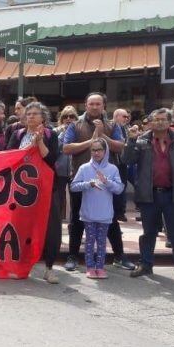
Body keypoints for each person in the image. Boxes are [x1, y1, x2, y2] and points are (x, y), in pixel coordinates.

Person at [123, 109, 174, 282]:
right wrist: (130, 140)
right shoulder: (141, 141)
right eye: (156, 119)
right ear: (150, 122)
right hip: (149, 195)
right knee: (148, 233)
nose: (159, 122)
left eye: (163, 119)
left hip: (173, 195)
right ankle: (145, 265)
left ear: (169, 121)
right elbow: (127, 160)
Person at [62, 92, 134, 271]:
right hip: (82, 178)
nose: (94, 107)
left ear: (104, 106)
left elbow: (120, 146)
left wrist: (103, 136)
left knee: (111, 219)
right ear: (86, 105)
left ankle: (119, 256)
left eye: (98, 104)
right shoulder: (75, 125)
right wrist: (92, 140)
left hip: (108, 180)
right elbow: (66, 148)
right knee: (77, 219)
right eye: (91, 104)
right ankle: (72, 256)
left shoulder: (112, 124)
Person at [6, 102, 61, 284]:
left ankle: (49, 268)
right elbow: (9, 157)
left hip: (46, 189)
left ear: (43, 117)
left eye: (35, 114)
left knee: (50, 229)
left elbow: (52, 159)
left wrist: (39, 143)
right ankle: (20, 265)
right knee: (20, 227)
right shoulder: (17, 134)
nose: (30, 117)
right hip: (23, 189)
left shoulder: (50, 135)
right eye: (28, 114)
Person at [70, 139, 125, 279]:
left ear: (105, 151)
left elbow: (119, 189)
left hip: (105, 213)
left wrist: (107, 182)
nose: (96, 153)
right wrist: (89, 184)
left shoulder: (113, 169)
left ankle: (100, 268)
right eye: (93, 150)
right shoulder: (84, 168)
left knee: (101, 242)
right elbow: (73, 186)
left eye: (99, 150)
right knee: (89, 240)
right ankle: (89, 267)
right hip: (88, 212)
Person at [54, 105, 78, 220]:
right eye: (65, 116)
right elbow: (55, 149)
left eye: (72, 116)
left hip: (75, 169)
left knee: (75, 197)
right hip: (60, 169)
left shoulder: (79, 130)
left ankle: (73, 223)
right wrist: (63, 134)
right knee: (58, 198)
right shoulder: (55, 132)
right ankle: (57, 223)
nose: (68, 119)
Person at [111, 108, 131, 222]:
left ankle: (120, 212)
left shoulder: (126, 129)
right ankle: (114, 213)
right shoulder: (111, 127)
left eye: (127, 117)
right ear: (116, 116)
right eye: (124, 116)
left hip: (123, 163)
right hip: (113, 162)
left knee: (122, 187)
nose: (126, 119)